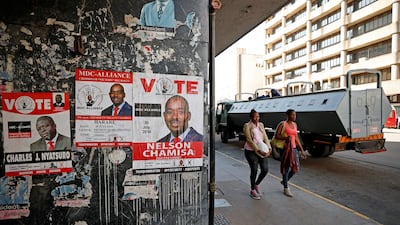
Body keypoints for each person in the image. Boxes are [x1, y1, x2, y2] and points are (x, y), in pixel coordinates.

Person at [274, 109, 307, 197]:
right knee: (286, 167)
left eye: (295, 115)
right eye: (292, 115)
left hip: (294, 148)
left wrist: (302, 150)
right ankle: (286, 188)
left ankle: (285, 181)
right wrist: (285, 138)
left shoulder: (295, 125)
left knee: (295, 168)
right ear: (287, 115)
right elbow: (276, 135)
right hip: (285, 149)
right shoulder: (283, 124)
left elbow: (296, 138)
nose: (294, 117)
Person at [243, 109, 272, 200]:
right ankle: (252, 190)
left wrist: (269, 148)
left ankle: (257, 184)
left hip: (262, 149)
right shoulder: (247, 126)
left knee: (265, 169)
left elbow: (266, 138)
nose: (257, 118)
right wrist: (258, 150)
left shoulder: (261, 125)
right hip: (251, 151)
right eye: (255, 117)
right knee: (254, 169)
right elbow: (249, 140)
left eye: (258, 116)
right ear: (251, 117)